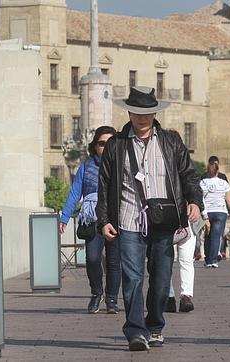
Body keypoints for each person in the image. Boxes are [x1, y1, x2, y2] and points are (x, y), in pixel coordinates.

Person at [96, 86, 203, 351]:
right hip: (128, 219)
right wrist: (104, 220)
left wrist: (195, 201)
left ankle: (154, 325)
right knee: (132, 277)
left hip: (164, 221)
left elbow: (188, 175)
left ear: (155, 112)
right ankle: (135, 331)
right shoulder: (116, 144)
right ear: (130, 112)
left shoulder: (171, 141)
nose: (142, 118)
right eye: (137, 112)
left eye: (147, 112)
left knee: (161, 277)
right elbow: (105, 183)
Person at [59, 126, 120, 314]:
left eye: (111, 143)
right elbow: (75, 192)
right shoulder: (86, 166)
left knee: (114, 261)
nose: (106, 147)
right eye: (102, 143)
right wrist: (65, 216)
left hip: (115, 215)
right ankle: (96, 293)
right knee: (93, 258)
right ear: (95, 146)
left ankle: (111, 299)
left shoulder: (121, 165)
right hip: (92, 216)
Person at [201, 162, 230, 267]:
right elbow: (229, 200)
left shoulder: (203, 183)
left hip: (207, 212)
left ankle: (208, 259)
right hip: (220, 211)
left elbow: (200, 197)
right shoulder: (223, 183)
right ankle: (213, 260)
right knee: (216, 236)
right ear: (217, 171)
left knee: (207, 235)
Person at [165, 222, 199, 313]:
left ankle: (186, 296)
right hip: (164, 220)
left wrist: (201, 210)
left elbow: (201, 207)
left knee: (187, 260)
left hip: (188, 221)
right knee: (165, 262)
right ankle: (168, 297)